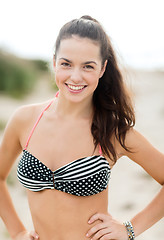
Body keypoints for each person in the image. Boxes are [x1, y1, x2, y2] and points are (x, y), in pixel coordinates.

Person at [0, 15, 164, 240]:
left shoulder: (114, 131)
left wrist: (130, 228)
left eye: (88, 66)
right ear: (54, 61)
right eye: (66, 64)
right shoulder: (25, 120)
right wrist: (17, 231)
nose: (75, 77)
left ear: (102, 68)